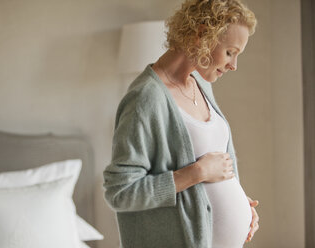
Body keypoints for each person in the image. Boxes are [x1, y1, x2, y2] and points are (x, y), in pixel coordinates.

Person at [103, 0, 259, 247]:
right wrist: (195, 173)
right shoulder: (146, 98)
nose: (234, 65)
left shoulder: (201, 84)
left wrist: (243, 205)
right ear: (202, 34)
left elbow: (214, 163)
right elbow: (120, 192)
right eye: (230, 52)